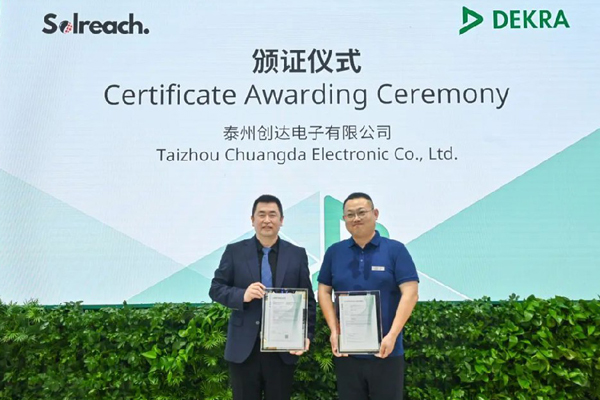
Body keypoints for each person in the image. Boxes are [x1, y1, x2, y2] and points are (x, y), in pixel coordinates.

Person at [209, 194, 316, 400]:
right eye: (261, 215)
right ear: (252, 220)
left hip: (283, 348)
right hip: (244, 349)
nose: (267, 220)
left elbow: (308, 301)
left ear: (281, 220)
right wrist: (242, 294)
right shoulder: (234, 252)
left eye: (272, 215)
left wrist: (306, 335)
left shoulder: (296, 254)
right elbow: (216, 288)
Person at [317, 192, 419, 400]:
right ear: (344, 219)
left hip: (387, 350)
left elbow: (411, 292)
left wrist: (392, 335)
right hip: (347, 352)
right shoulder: (335, 252)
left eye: (361, 212)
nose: (356, 218)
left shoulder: (396, 250)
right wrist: (334, 330)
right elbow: (324, 291)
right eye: (350, 215)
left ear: (375, 214)